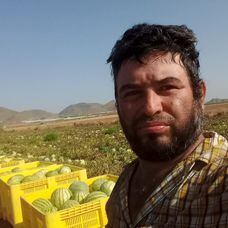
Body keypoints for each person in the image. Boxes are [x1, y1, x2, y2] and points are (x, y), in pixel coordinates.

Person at [105, 23, 227, 227]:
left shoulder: (220, 182)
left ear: (200, 94)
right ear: (118, 104)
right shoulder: (123, 184)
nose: (150, 108)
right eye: (132, 93)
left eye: (167, 87)